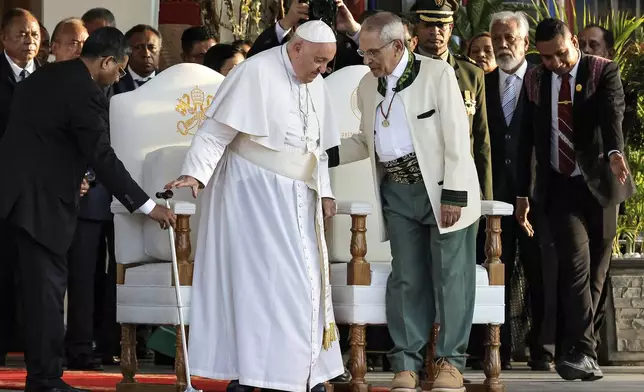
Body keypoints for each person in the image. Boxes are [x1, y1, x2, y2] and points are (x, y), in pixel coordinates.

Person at [165, 20, 343, 392]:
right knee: (258, 287)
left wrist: (325, 191)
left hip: (299, 196)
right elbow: (216, 131)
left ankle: (301, 373)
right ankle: (251, 374)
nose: (322, 70)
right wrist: (195, 174)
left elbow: (317, 151)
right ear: (296, 49)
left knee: (305, 284)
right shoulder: (254, 72)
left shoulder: (318, 83)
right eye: (318, 61)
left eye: (327, 63)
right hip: (253, 196)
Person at [0, 26, 176, 392]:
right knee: (47, 296)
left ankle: (42, 375)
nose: (119, 76)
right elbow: (103, 157)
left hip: (16, 199)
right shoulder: (85, 91)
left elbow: (42, 139)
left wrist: (72, 173)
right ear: (107, 60)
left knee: (33, 294)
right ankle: (45, 380)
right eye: (119, 68)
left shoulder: (44, 76)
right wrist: (147, 206)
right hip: (42, 204)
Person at [334, 11, 480, 392]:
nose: (366, 61)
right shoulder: (368, 86)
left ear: (397, 46)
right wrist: (324, 152)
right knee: (406, 279)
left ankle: (450, 362)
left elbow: (456, 138)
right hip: (396, 191)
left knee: (452, 277)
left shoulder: (437, 74)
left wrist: (453, 195)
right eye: (363, 53)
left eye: (371, 53)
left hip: (442, 190)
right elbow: (366, 141)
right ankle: (406, 364)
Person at [515, 18, 634, 381]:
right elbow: (525, 141)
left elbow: (613, 114)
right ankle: (581, 351)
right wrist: (523, 194)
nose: (554, 63)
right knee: (575, 266)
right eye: (546, 57)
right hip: (560, 185)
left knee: (597, 271)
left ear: (572, 41)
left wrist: (615, 152)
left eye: (560, 54)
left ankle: (585, 350)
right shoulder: (535, 79)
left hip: (601, 183)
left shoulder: (602, 71)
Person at [471, 10, 552, 371]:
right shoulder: (482, 84)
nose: (503, 45)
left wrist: (532, 191)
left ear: (524, 42)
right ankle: (495, 348)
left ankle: (542, 348)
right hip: (492, 197)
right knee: (493, 272)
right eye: (497, 37)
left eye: (510, 38)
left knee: (539, 274)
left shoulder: (543, 80)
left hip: (537, 197)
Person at [411, 0, 492, 201]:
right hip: (417, 185)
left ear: (451, 28)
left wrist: (486, 197)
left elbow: (481, 140)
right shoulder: (403, 71)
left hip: (462, 182)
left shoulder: (471, 74)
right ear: (417, 28)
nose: (435, 31)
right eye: (428, 25)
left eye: (441, 25)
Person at [0, 7, 42, 367]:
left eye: (34, 35)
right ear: (3, 38)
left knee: (34, 273)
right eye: (22, 33)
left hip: (39, 194)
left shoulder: (49, 79)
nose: (30, 40)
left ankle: (34, 349)